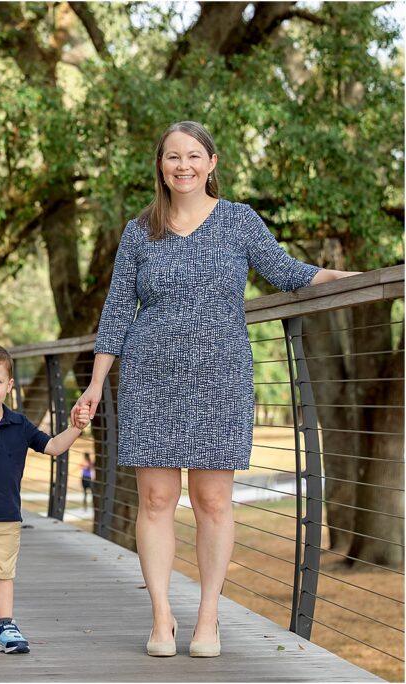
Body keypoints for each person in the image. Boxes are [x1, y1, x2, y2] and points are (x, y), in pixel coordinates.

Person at [70, 121, 358, 658]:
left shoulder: (238, 222)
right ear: (161, 165)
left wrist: (338, 278)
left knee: (212, 501)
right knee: (156, 499)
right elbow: (115, 312)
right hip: (149, 376)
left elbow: (286, 272)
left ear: (212, 162)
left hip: (220, 375)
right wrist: (95, 383)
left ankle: (208, 620)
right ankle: (162, 618)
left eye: (194, 155)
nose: (183, 165)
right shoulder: (141, 231)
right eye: (173, 157)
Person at [0, 343, 89, 657]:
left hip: (8, 516)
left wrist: (75, 428)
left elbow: (52, 446)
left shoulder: (19, 425)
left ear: (9, 385)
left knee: (3, 574)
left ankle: (4, 625)